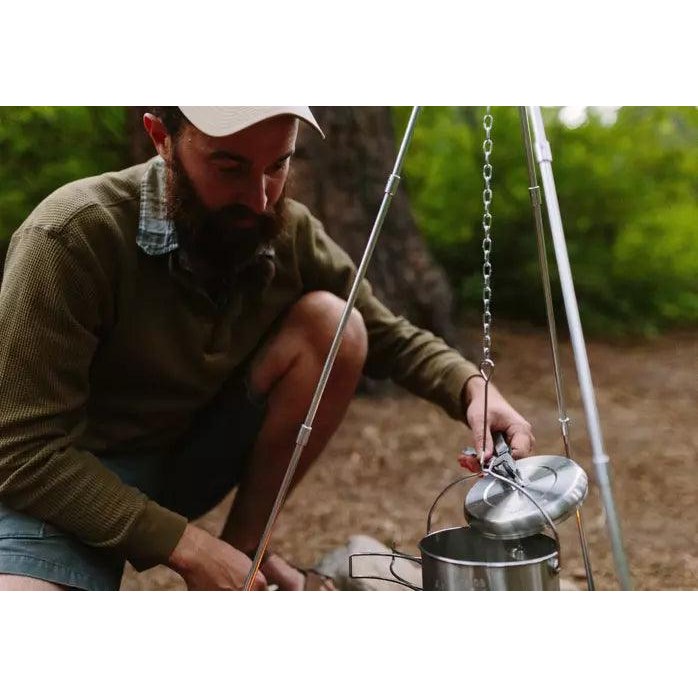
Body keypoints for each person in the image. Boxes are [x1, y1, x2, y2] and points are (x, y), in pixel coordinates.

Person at [0, 106, 534, 591]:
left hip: (185, 458)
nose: (260, 200)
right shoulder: (71, 237)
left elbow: (385, 333)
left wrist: (471, 387)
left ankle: (243, 562)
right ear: (161, 138)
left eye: (277, 166)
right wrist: (186, 546)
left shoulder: (286, 231)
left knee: (334, 324)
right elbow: (23, 452)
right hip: (66, 480)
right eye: (229, 167)